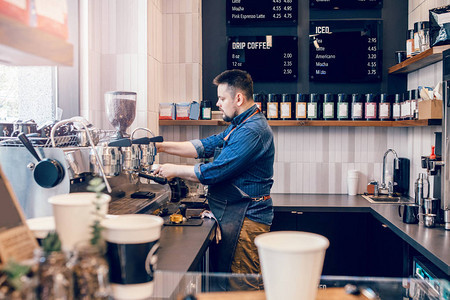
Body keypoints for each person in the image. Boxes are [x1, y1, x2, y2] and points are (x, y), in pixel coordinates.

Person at [153, 69, 275, 277]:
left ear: (238, 98)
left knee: (242, 288)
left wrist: (172, 170)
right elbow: (205, 146)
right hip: (236, 215)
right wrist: (162, 147)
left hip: (246, 218)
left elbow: (216, 171)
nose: (218, 103)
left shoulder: (253, 130)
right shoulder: (240, 124)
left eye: (221, 98)